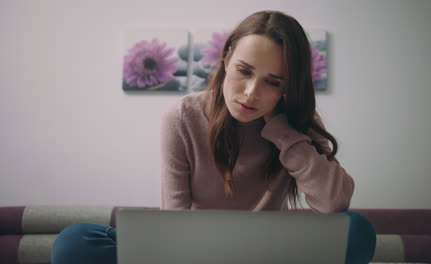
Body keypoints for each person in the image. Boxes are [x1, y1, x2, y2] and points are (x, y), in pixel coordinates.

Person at [51, 10, 376, 264]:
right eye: (244, 71)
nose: (251, 93)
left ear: (288, 86)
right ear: (227, 58)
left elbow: (335, 203)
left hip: (266, 252)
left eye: (273, 82)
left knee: (357, 229)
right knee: (75, 242)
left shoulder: (295, 126)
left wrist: (283, 132)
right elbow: (174, 220)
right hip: (192, 250)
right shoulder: (182, 116)